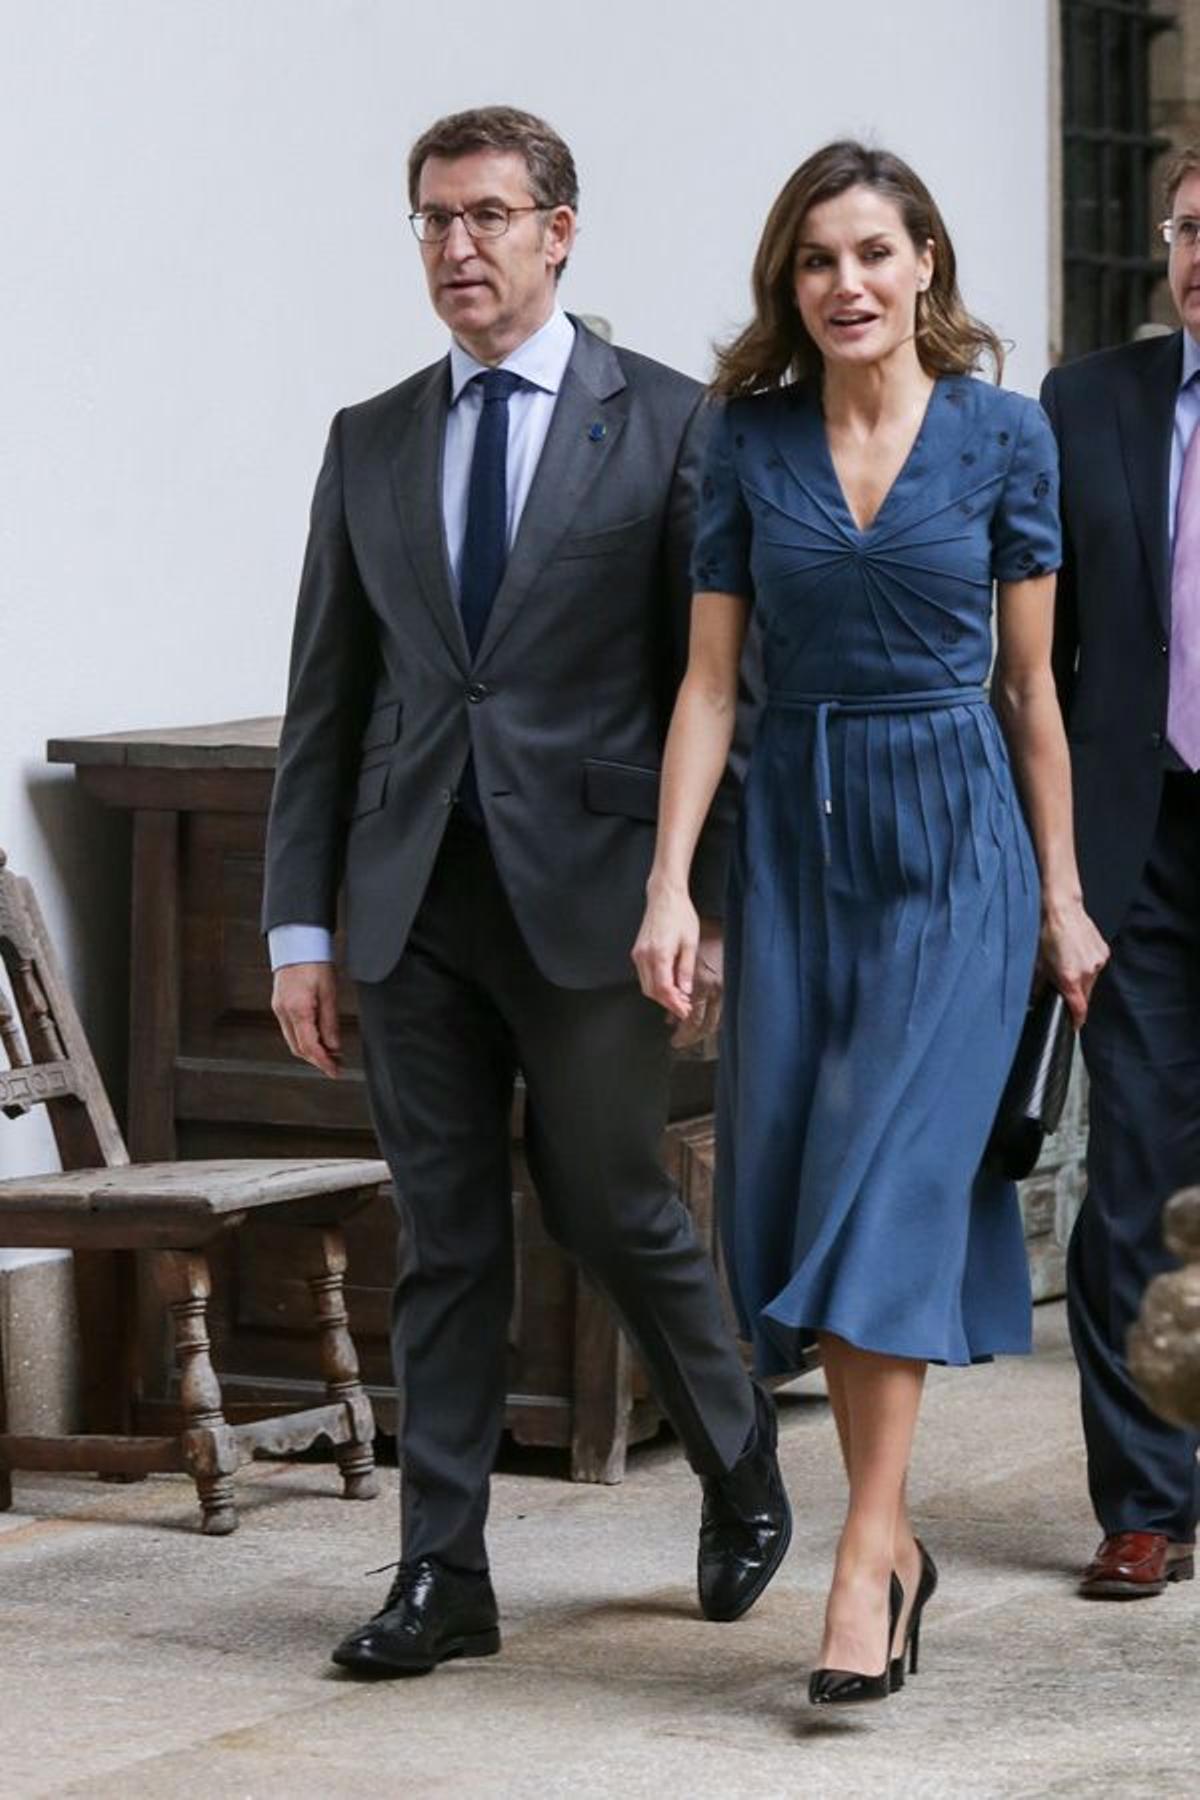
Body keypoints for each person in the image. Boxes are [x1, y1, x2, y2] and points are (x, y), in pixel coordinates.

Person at [262, 105, 788, 1678]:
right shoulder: (370, 438)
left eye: (488, 216)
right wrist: (305, 932)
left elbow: (725, 690)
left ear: (560, 231)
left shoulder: (678, 425)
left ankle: (740, 1460)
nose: (456, 247)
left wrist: (685, 887)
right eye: (432, 219)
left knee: (613, 1199)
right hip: (411, 899)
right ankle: (445, 1573)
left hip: (600, 895)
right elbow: (327, 699)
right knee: (444, 1230)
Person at [634, 140, 1107, 1704]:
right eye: (819, 259)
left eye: (875, 253)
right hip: (794, 843)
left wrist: (1061, 896)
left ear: (926, 270)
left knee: (890, 1174)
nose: (848, 282)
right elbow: (709, 686)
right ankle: (890, 1548)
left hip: (955, 838)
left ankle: (864, 1556)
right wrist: (671, 886)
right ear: (794, 283)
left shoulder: (1003, 438)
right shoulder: (746, 442)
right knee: (824, 1182)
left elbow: (1033, 691)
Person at [1040, 144, 1200, 1601]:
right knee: (1136, 1183)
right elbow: (1036, 660)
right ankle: (1147, 1498)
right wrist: (1054, 873)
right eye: (1194, 230)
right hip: (1138, 846)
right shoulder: (1088, 405)